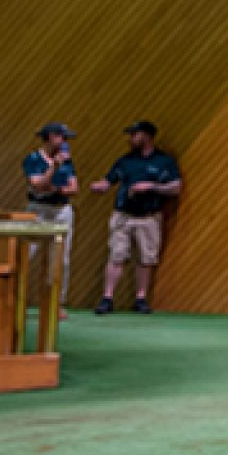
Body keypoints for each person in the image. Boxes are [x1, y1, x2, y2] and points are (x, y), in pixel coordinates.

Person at [90, 120, 181, 315]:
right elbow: (109, 180)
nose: (130, 139)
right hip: (123, 215)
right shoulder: (125, 161)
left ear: (147, 136)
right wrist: (101, 186)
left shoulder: (164, 161)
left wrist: (151, 186)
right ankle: (107, 298)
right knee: (116, 255)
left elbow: (175, 187)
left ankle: (141, 298)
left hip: (149, 217)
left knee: (146, 258)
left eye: (134, 134)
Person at [22, 123, 78, 312]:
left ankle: (56, 303)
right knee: (27, 254)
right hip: (39, 209)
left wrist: (55, 188)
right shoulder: (33, 159)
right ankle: (15, 298)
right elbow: (37, 185)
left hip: (61, 208)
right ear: (51, 137)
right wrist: (53, 167)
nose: (65, 142)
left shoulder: (67, 161)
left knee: (62, 258)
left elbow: (74, 188)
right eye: (63, 137)